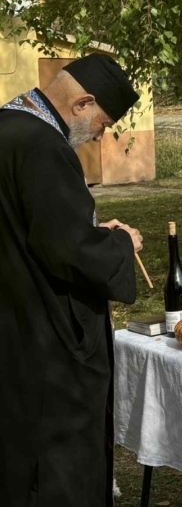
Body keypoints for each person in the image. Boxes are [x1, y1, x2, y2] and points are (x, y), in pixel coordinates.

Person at [0, 53, 144, 506]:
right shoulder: (44, 146)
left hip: (12, 319)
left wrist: (86, 231)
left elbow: (33, 227)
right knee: (55, 467)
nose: (99, 135)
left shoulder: (8, 126)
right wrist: (122, 244)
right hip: (44, 339)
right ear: (82, 102)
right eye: (102, 123)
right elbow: (69, 253)